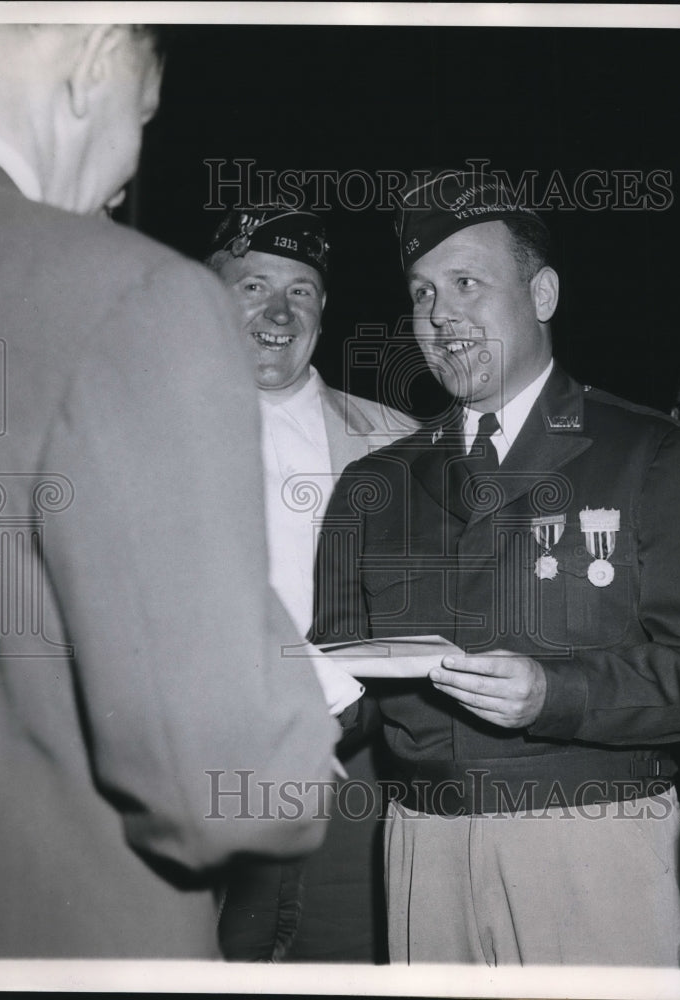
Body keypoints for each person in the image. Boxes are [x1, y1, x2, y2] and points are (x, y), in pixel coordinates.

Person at [0, 23, 339, 958]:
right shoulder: (129, 298)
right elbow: (223, 786)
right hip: (66, 932)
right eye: (145, 113)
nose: (127, 173)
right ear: (95, 58)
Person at [311, 169, 680, 966]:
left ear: (542, 294)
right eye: (420, 293)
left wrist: (557, 695)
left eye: (465, 284)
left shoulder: (654, 456)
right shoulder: (372, 487)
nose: (439, 314)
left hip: (594, 842)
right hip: (421, 847)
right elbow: (348, 689)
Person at [205, 204, 417, 962]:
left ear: (323, 311)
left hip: (359, 762)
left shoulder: (398, 442)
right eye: (253, 284)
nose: (276, 310)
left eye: (300, 290)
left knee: (347, 957)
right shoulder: (137, 423)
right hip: (196, 756)